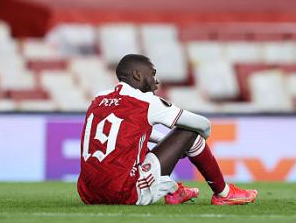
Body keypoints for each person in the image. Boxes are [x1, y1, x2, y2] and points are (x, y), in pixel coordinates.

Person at [77, 54, 258, 206]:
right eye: (152, 74)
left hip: (88, 194)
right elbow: (202, 124)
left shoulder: (99, 99)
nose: (156, 81)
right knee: (189, 133)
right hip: (125, 193)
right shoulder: (147, 102)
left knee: (133, 149)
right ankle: (224, 193)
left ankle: (174, 191)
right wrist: (197, 140)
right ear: (137, 75)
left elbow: (126, 135)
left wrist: (172, 145)